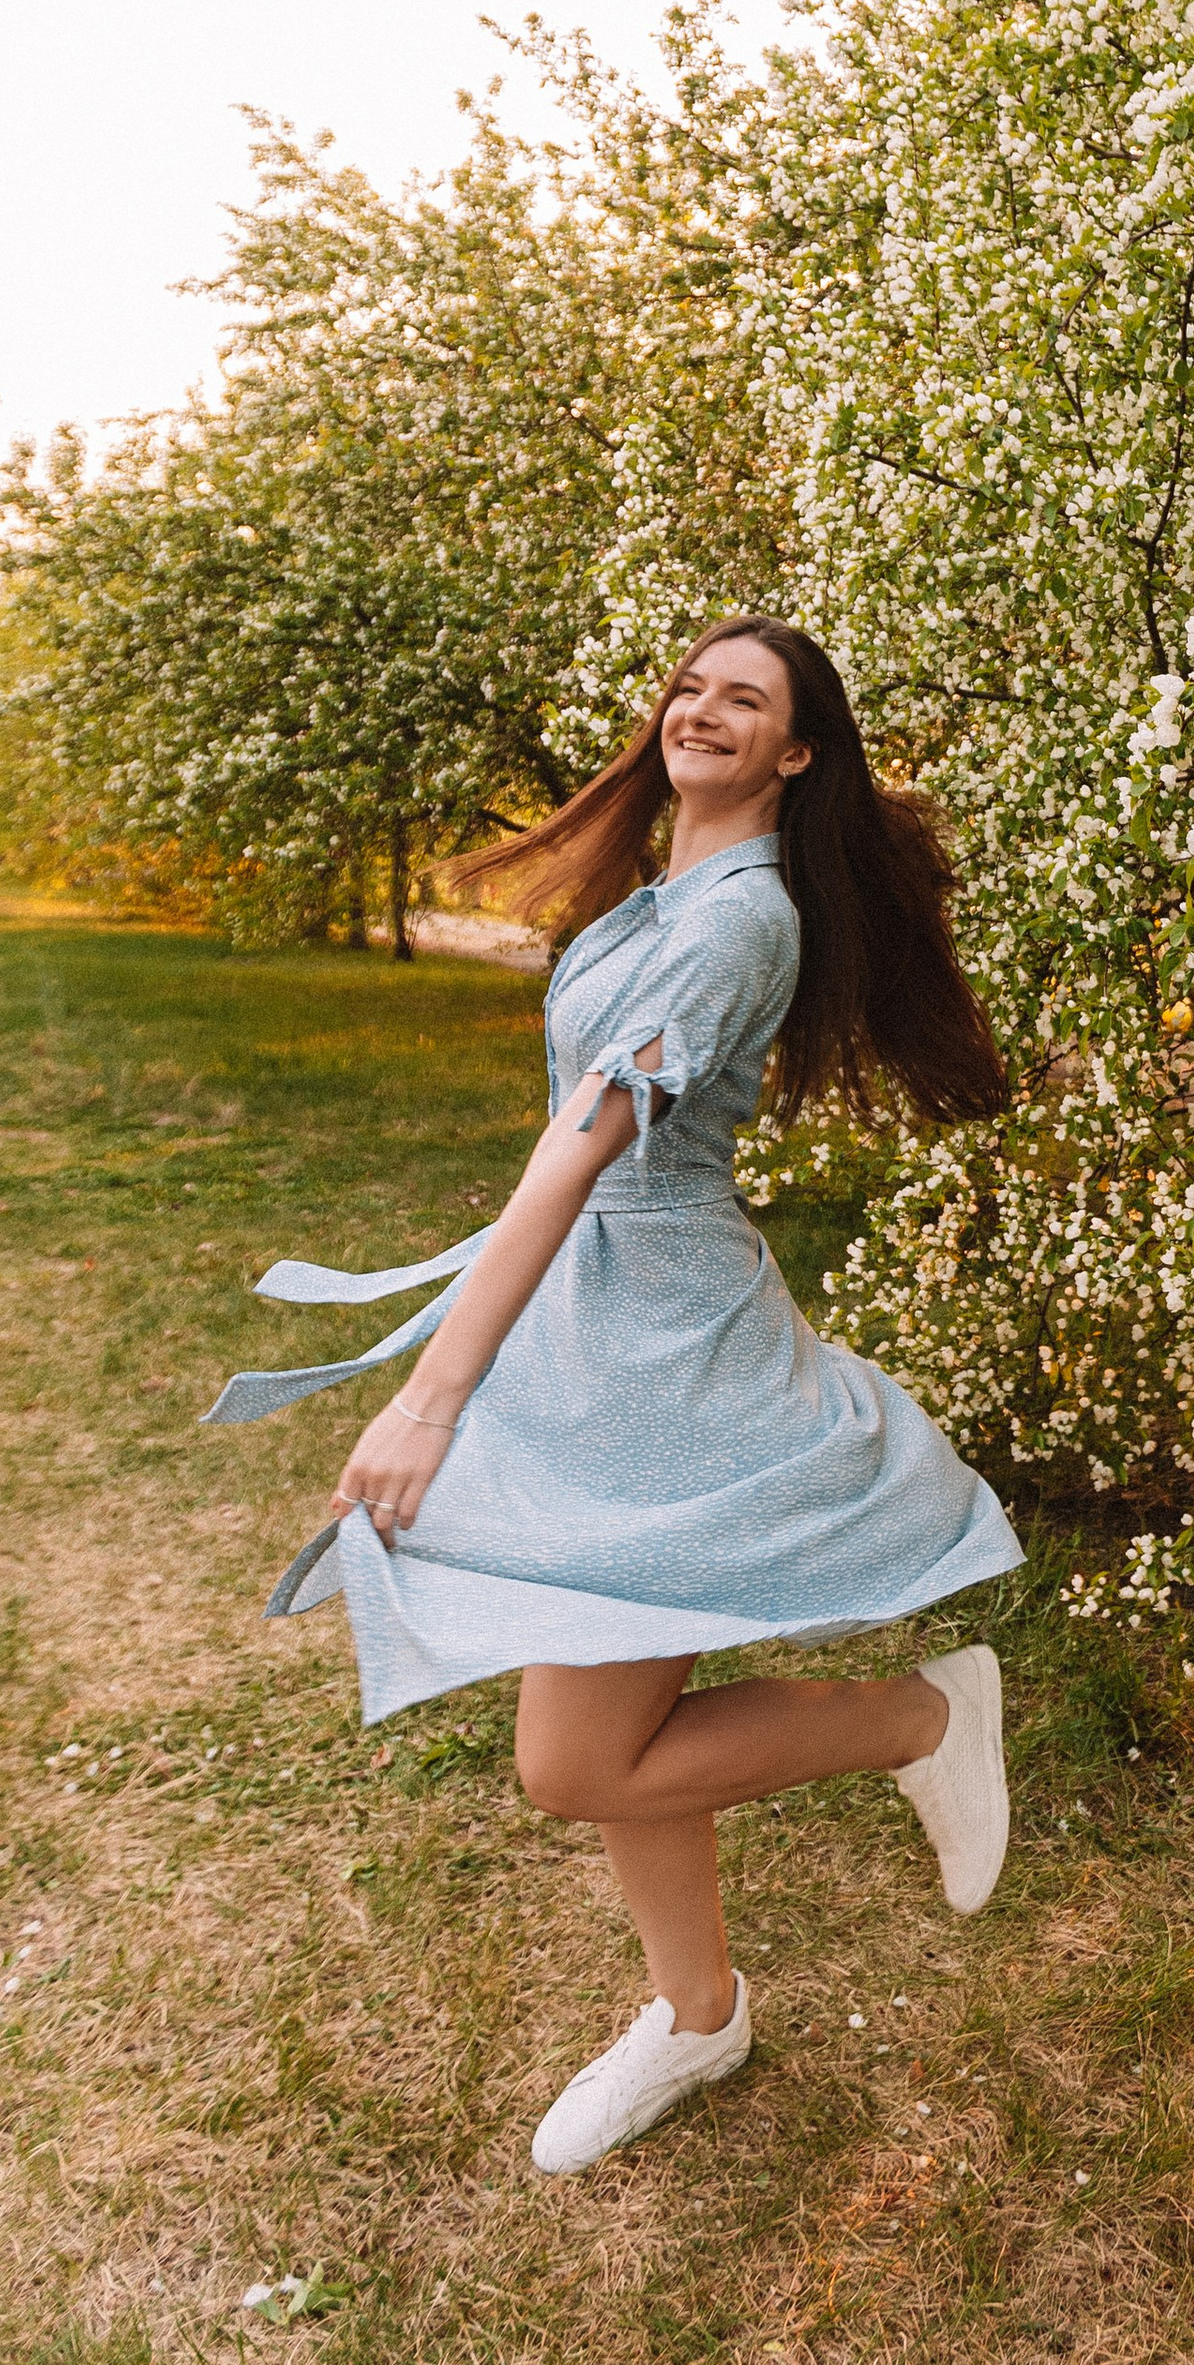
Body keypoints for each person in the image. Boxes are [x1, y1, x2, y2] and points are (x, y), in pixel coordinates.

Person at [205, 615, 1024, 2174]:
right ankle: (697, 2008)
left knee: (573, 1759)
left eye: (749, 699)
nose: (704, 709)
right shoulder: (673, 894)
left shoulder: (736, 923)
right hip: (602, 1332)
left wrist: (433, 1400)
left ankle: (924, 1716)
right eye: (692, 684)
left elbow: (580, 1151)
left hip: (665, 1356)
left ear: (796, 752)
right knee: (614, 1705)